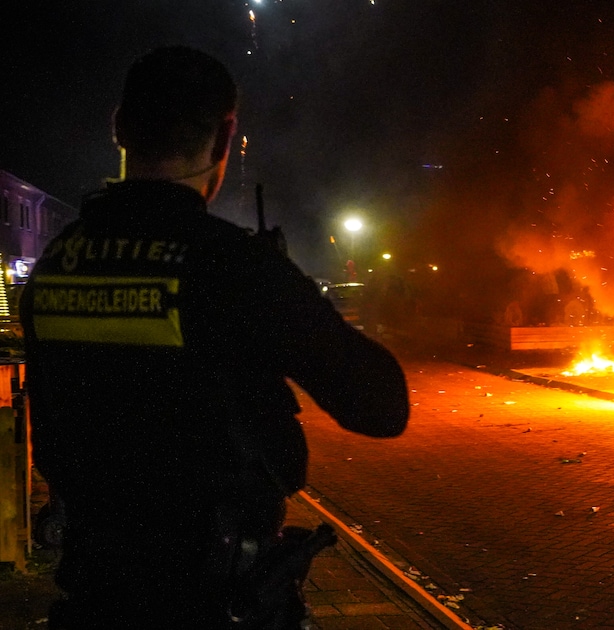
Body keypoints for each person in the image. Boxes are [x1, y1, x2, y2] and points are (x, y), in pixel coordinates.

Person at [20, 46, 410, 628]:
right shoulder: (233, 265)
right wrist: (288, 292)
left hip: (95, 595)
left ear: (119, 126)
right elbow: (382, 406)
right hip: (213, 601)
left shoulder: (56, 262)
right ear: (225, 136)